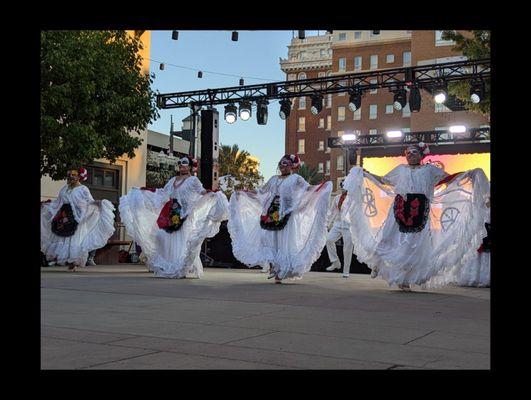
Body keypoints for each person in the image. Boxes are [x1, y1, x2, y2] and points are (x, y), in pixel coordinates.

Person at [342, 142, 490, 291]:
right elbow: (384, 180)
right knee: (388, 237)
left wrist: (468, 174)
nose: (410, 155)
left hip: (419, 210)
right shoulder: (400, 169)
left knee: (413, 245)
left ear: (421, 155)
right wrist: (365, 174)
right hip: (400, 208)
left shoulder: (430, 170)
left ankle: (405, 280)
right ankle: (378, 263)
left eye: (414, 152)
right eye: (408, 153)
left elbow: (447, 179)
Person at [119, 156, 229, 279]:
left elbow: (201, 192)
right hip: (172, 214)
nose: (182, 165)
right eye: (180, 163)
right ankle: (169, 265)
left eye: (185, 163)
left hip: (186, 215)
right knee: (165, 238)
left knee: (181, 241)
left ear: (190, 166)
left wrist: (212, 192)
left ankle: (180, 267)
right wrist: (148, 190)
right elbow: (163, 193)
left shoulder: (193, 180)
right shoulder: (172, 180)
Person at [228, 154, 333, 283]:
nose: (282, 167)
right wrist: (245, 192)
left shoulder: (296, 179)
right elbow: (261, 191)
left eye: (286, 164)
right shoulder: (273, 179)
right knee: (268, 239)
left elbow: (308, 189)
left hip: (287, 213)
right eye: (281, 164)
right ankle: (273, 267)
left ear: (293, 166)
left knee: (284, 242)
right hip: (272, 212)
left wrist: (321, 187)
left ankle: (280, 272)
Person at [41, 168, 116, 271]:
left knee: (75, 238)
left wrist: (100, 203)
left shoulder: (83, 189)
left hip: (78, 217)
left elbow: (90, 201)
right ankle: (66, 260)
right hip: (64, 216)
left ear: (78, 177)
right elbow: (58, 202)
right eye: (69, 174)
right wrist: (47, 204)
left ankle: (73, 262)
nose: (70, 176)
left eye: (73, 175)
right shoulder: (64, 189)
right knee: (63, 237)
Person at [325, 181, 353, 278]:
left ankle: (346, 272)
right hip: (337, 224)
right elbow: (332, 211)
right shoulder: (337, 198)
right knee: (329, 240)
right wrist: (327, 224)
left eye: (344, 187)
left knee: (347, 249)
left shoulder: (352, 198)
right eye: (341, 187)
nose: (342, 189)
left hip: (348, 226)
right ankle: (335, 262)